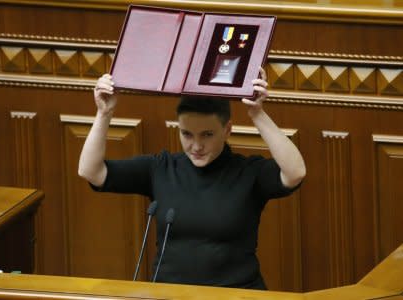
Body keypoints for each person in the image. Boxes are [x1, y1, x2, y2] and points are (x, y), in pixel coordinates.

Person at [78, 67, 306, 290]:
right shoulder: (161, 168)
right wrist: (104, 113)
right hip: (170, 295)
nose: (196, 146)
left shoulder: (248, 172)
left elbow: (295, 173)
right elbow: (92, 172)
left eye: (207, 134)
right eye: (187, 134)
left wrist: (257, 113)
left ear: (227, 129)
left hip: (236, 294)